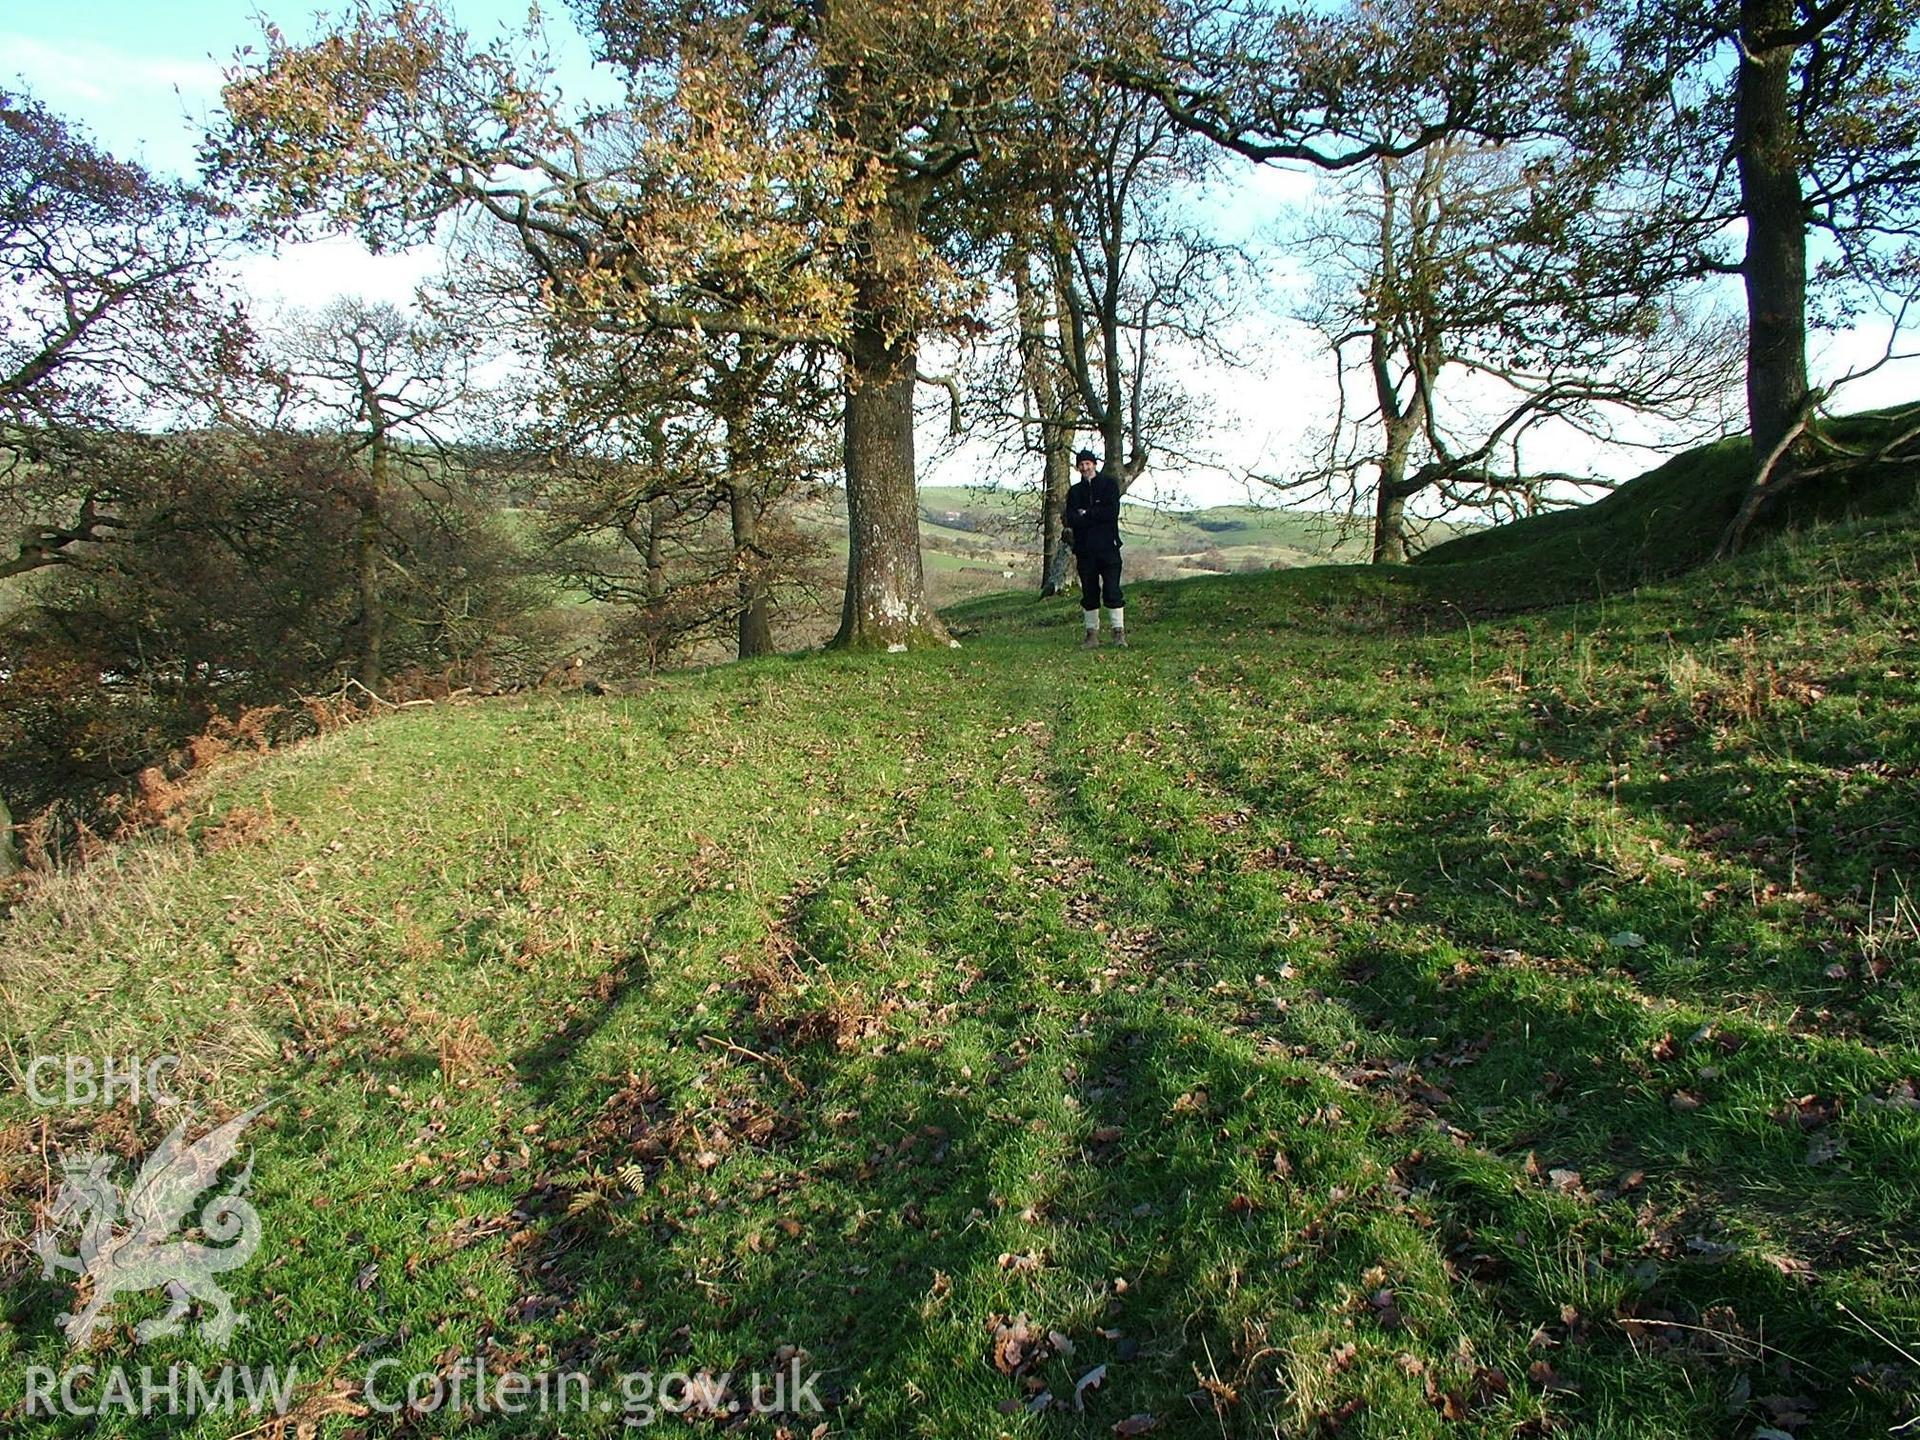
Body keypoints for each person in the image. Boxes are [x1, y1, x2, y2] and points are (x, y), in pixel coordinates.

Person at [1064, 447, 1125, 649]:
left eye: (1087, 463)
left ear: (1094, 464)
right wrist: (1092, 516)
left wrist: (1086, 514)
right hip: (1085, 550)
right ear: (1077, 467)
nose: (1084, 467)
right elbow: (1071, 519)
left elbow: (1111, 513)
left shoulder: (1109, 485)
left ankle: (1118, 633)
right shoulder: (1074, 492)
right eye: (1081, 464)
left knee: (1112, 590)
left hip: (1108, 548)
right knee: (1089, 593)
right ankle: (1092, 635)